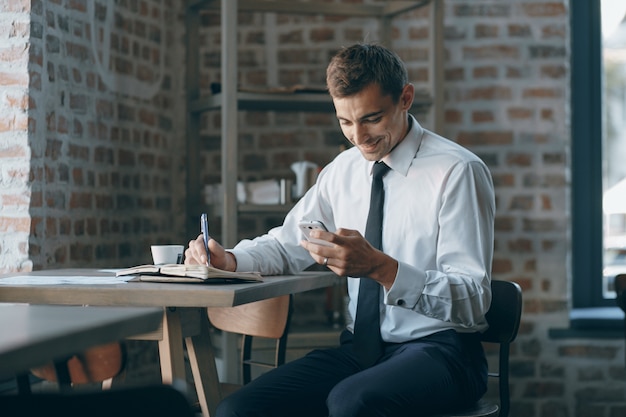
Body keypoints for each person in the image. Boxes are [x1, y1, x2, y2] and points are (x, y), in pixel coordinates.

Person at [185, 43, 495, 417]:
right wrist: (230, 259)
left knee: (352, 403)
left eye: (372, 118)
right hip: (359, 352)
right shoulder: (343, 171)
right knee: (238, 409)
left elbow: (474, 299)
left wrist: (382, 268)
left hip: (443, 352)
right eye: (345, 122)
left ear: (405, 98)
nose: (359, 137)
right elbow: (288, 246)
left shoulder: (457, 171)